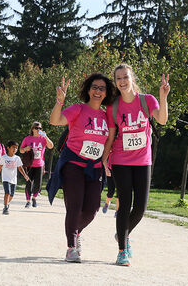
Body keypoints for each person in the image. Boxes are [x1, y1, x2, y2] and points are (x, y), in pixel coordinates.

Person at [102, 63, 170, 266]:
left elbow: (163, 120)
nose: (122, 81)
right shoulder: (113, 107)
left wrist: (164, 97)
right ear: (115, 82)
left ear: (132, 78)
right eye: (119, 78)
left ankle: (122, 234)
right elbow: (112, 135)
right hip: (121, 159)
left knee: (140, 208)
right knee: (124, 204)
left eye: (125, 77)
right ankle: (122, 250)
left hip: (143, 160)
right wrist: (104, 158)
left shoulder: (147, 100)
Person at [48, 73, 114, 263]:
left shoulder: (106, 116)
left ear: (106, 93)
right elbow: (55, 120)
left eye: (102, 88)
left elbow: (109, 140)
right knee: (74, 207)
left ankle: (75, 234)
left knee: (92, 209)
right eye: (95, 87)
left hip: (94, 167)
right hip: (73, 165)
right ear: (88, 89)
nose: (98, 91)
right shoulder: (78, 109)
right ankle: (71, 247)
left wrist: (106, 161)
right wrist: (59, 102)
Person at [20, 122, 54, 208]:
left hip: (39, 165)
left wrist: (45, 136)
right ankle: (28, 201)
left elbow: (51, 146)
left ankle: (34, 198)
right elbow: (20, 150)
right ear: (32, 129)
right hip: (29, 165)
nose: (38, 129)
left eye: (39, 128)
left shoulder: (43, 139)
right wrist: (25, 149)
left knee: (38, 184)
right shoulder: (27, 139)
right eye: (36, 128)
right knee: (28, 183)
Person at [0, 141, 29, 215]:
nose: (15, 149)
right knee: (7, 192)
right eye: (13, 147)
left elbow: (20, 168)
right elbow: (0, 167)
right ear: (8, 148)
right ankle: (6, 207)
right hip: (5, 178)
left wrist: (25, 175)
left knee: (12, 195)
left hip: (13, 179)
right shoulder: (4, 157)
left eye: (16, 148)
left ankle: (7, 203)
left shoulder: (17, 158)